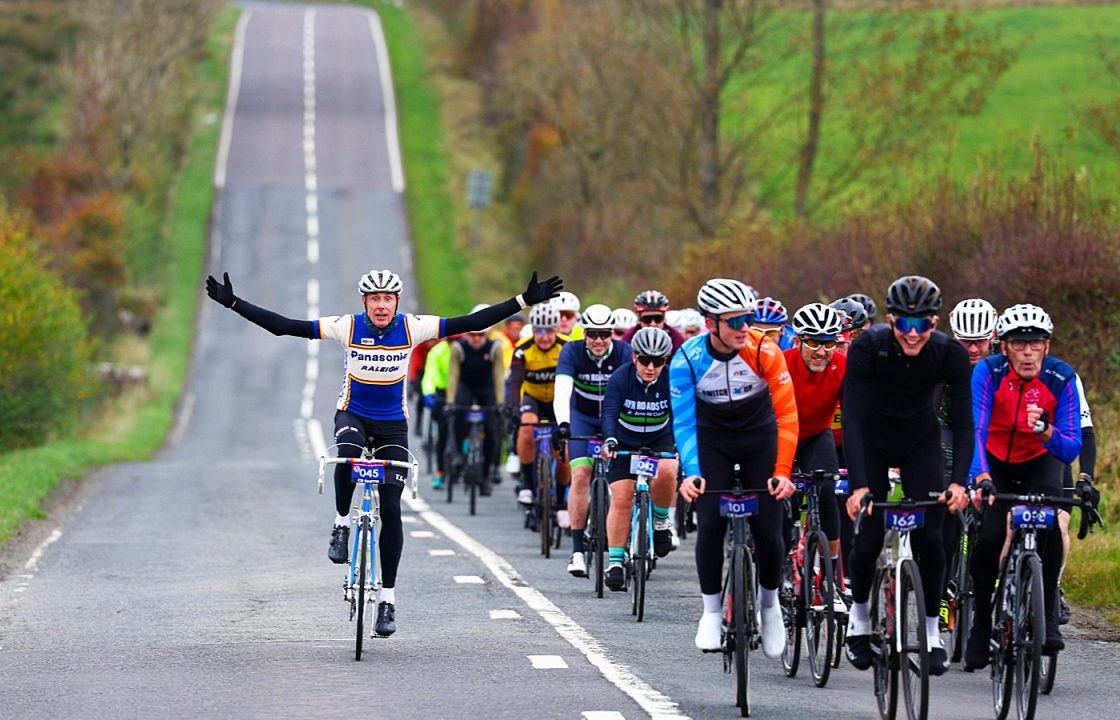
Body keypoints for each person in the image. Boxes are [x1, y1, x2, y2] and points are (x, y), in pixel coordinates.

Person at [204, 268, 562, 637]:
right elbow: (284, 327)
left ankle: (387, 600)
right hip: (353, 415)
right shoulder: (347, 326)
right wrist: (233, 303)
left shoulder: (412, 327)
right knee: (347, 451)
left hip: (392, 424)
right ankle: (342, 524)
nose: (380, 305)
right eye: (374, 298)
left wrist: (523, 300)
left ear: (396, 302)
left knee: (391, 508)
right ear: (364, 302)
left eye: (387, 299)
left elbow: (472, 322)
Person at [842, 275, 970, 677]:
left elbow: (964, 423)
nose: (913, 334)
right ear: (891, 320)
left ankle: (931, 633)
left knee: (932, 536)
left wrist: (958, 482)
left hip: (919, 444)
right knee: (868, 537)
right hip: (872, 442)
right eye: (904, 324)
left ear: (935, 323)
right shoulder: (868, 347)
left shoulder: (949, 353)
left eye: (923, 324)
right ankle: (858, 620)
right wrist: (859, 485)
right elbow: (853, 418)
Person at [672, 278, 799, 658]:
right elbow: (684, 422)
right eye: (736, 321)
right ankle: (711, 612)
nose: (746, 327)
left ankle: (770, 606)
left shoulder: (765, 351)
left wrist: (783, 471)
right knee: (710, 522)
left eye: (748, 318)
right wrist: (691, 472)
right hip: (712, 439)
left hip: (759, 436)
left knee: (769, 529)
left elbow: (787, 415)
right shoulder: (687, 359)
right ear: (711, 324)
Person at [965, 304, 1083, 669]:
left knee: (1049, 525)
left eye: (1035, 344)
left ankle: (1047, 614)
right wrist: (981, 477)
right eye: (1019, 344)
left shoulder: (1061, 377)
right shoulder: (988, 372)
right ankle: (981, 624)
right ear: (1004, 347)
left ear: (1047, 346)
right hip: (995, 461)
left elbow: (1071, 447)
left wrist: (1046, 431)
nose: (1028, 352)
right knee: (989, 538)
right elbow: (976, 429)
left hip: (1039, 459)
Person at [553, 304, 632, 577]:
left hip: (615, 417)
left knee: (621, 483)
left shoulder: (624, 352)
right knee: (580, 475)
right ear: (584, 333)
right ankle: (577, 551)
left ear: (612, 334)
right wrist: (563, 424)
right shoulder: (571, 351)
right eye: (593, 334)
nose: (599, 340)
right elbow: (562, 390)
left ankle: (625, 542)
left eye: (604, 334)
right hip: (582, 417)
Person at [601, 327, 679, 590]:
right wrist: (610, 440)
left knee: (668, 469)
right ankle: (615, 562)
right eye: (645, 360)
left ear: (665, 361)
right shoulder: (620, 378)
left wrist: (680, 445)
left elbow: (680, 415)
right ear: (634, 357)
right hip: (625, 441)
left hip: (659, 439)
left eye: (658, 361)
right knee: (622, 498)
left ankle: (660, 521)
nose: (651, 367)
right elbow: (610, 413)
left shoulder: (671, 379)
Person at [785, 303, 847, 613]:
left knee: (826, 490)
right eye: (813, 342)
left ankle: (831, 577)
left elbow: (856, 416)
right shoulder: (782, 363)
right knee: (781, 497)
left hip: (816, 435)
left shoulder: (842, 366)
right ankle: (782, 565)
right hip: (782, 434)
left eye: (829, 343)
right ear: (798, 341)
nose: (821, 351)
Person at [509, 302, 568, 515]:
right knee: (526, 427)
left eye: (549, 331)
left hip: (558, 401)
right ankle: (527, 484)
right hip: (532, 398)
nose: (544, 337)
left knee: (563, 451)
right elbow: (515, 382)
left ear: (557, 329)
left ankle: (560, 500)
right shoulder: (522, 349)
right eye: (539, 331)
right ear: (533, 329)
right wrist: (513, 408)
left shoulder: (566, 348)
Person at [446, 305, 507, 497]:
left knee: (491, 430)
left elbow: (499, 377)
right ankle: (458, 453)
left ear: (487, 334)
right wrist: (450, 402)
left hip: (487, 388)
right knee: (459, 414)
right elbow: (453, 376)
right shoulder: (458, 348)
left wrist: (500, 403)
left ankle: (486, 474)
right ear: (467, 335)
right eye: (473, 335)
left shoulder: (495, 348)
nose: (477, 339)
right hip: (466, 386)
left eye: (481, 335)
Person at [422, 337, 452, 490]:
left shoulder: (465, 349)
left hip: (462, 393)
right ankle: (440, 470)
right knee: (442, 432)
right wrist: (428, 392)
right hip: (442, 393)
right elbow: (430, 375)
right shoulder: (437, 351)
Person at [621, 290, 686, 351]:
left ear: (664, 319)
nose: (653, 324)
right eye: (647, 319)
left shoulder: (676, 338)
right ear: (639, 320)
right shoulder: (629, 337)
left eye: (658, 318)